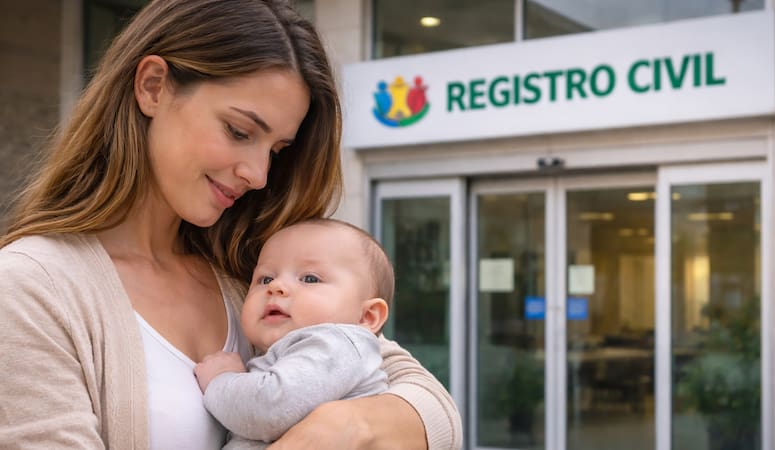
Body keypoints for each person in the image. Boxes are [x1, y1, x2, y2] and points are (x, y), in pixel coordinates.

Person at [0, 1, 462, 449]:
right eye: (239, 132)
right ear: (154, 86)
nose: (258, 174)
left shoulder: (254, 269)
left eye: (277, 150)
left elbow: (431, 403)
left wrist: (351, 425)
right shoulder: (32, 286)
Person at [194, 218, 395, 449]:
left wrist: (221, 380)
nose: (276, 286)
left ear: (367, 317)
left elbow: (270, 409)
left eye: (309, 278)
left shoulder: (336, 344)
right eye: (265, 278)